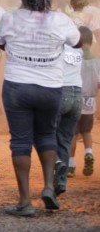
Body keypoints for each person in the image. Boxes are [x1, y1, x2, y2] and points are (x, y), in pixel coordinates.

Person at [0, 0, 81, 216]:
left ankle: (24, 202)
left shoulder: (10, 18)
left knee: (21, 141)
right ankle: (48, 188)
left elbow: (1, 44)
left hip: (17, 87)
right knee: (47, 136)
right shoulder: (60, 20)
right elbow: (75, 42)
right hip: (51, 87)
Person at [54, 26, 87, 196]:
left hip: (60, 93)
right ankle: (61, 181)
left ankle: (56, 162)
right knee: (66, 139)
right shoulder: (78, 50)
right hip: (76, 96)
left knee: (48, 134)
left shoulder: (57, 49)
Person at [69, 26, 98, 177]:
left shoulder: (73, 58)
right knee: (86, 131)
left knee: (73, 133)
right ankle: (89, 152)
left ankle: (71, 165)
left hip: (75, 99)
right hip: (90, 102)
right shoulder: (96, 62)